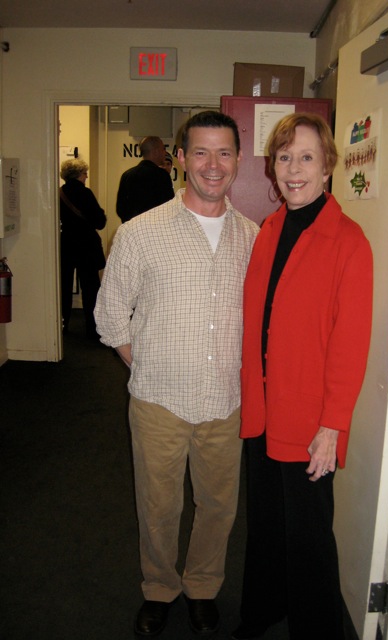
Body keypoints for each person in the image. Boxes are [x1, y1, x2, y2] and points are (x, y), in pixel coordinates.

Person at [94, 111, 259, 638]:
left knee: (219, 507)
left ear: (238, 160)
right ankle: (160, 588)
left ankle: (203, 587)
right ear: (180, 159)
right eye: (201, 152)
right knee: (158, 507)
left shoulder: (253, 238)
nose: (213, 165)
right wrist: (146, 366)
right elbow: (110, 316)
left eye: (224, 153)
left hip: (225, 402)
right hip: (158, 402)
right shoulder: (140, 233)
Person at [232, 113, 373, 640]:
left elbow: (350, 345)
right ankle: (263, 612)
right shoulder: (269, 230)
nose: (294, 170)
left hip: (311, 423)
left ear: (328, 165)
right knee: (266, 525)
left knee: (310, 538)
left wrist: (332, 426)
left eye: (306, 158)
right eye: (285, 157)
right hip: (265, 410)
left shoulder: (348, 241)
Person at [59, 158, 106, 338]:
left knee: (64, 286)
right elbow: (99, 221)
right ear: (79, 174)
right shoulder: (85, 193)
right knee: (90, 288)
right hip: (86, 245)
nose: (86, 176)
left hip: (66, 244)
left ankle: (62, 325)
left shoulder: (59, 193)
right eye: (85, 173)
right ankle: (92, 328)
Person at [116, 136, 174, 223]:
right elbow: (168, 206)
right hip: (155, 227)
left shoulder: (127, 175)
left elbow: (120, 209)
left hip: (132, 227)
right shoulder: (162, 176)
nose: (165, 152)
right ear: (156, 152)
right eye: (163, 149)